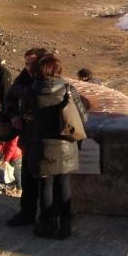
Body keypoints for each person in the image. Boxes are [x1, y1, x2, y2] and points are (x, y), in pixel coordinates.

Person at [20, 54, 86, 239]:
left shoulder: (30, 91)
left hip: (41, 145)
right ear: (58, 70)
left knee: (45, 186)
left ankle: (47, 225)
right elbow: (83, 117)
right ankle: (65, 226)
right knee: (64, 183)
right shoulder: (68, 90)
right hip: (65, 145)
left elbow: (25, 114)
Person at [5, 48, 50, 227]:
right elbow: (9, 97)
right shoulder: (25, 77)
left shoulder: (49, 78)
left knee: (46, 181)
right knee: (27, 174)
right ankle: (27, 214)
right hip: (28, 135)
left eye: (32, 64)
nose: (28, 68)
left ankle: (46, 218)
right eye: (26, 64)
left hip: (46, 137)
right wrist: (14, 115)